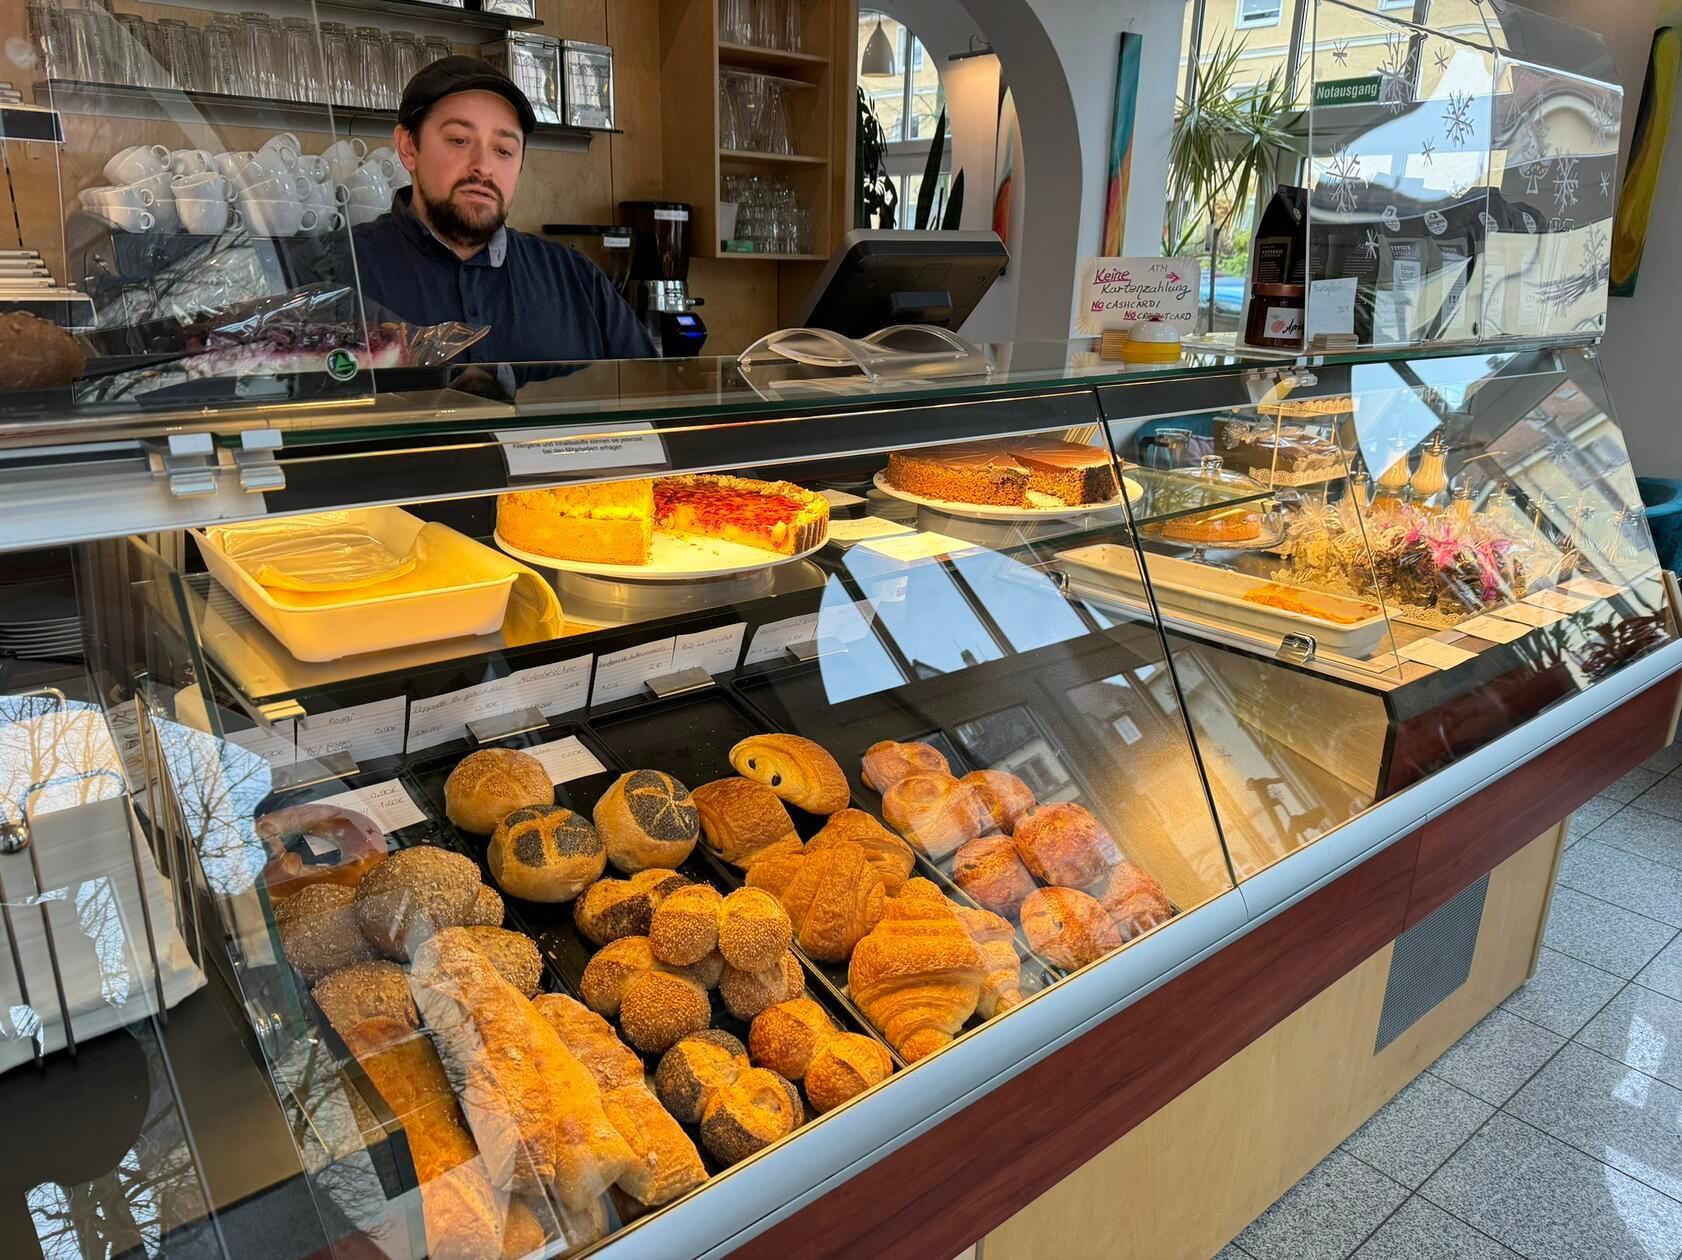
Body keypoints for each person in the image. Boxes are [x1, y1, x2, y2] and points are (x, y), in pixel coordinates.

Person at [353, 56, 654, 362]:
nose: (483, 167)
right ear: (408, 147)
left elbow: (654, 397)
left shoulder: (577, 280)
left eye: (503, 150)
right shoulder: (335, 270)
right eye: (459, 140)